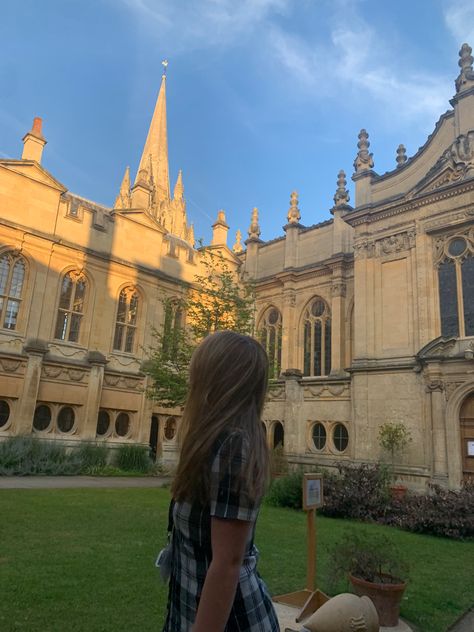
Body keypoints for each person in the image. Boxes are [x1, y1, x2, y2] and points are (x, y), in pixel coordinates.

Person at [162, 330, 280, 632]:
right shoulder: (215, 442)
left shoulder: (233, 447)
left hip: (234, 622)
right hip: (190, 610)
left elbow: (227, 566)